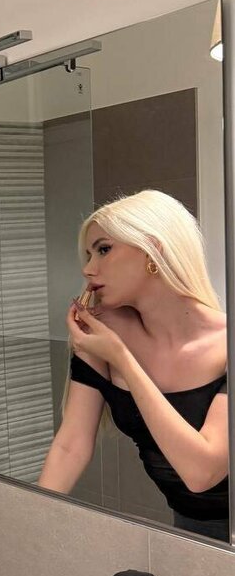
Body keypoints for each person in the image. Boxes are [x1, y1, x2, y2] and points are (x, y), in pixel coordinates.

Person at [38, 189, 229, 542]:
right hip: (188, 529)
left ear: (153, 250)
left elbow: (202, 472)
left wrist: (122, 360)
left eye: (103, 249)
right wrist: (29, 518)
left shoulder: (226, 345)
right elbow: (71, 444)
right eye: (88, 254)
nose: (88, 268)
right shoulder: (103, 335)